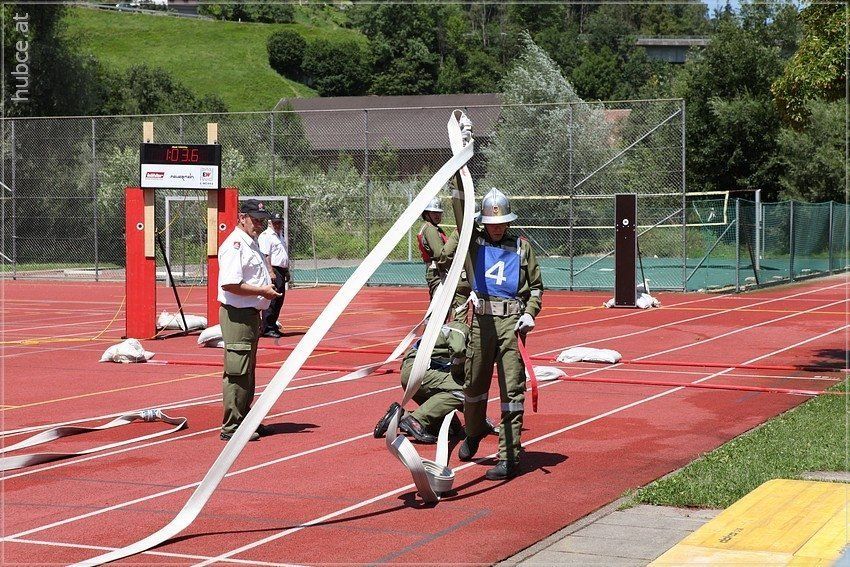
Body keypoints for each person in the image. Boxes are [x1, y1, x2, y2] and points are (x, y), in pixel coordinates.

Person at [440, 187, 543, 480]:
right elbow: (457, 230)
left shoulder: (522, 247)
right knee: (473, 384)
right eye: (491, 223)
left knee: (512, 390)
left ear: (509, 222)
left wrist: (530, 313)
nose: (497, 228)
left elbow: (536, 287)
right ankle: (473, 432)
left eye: (501, 223)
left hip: (512, 324)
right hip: (481, 323)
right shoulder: (473, 243)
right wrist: (461, 182)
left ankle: (509, 457)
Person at [217, 199, 282, 441]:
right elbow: (230, 284)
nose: (259, 224)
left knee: (247, 370)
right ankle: (232, 427)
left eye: (261, 220)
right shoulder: (235, 244)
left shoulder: (249, 242)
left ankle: (244, 420)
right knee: (238, 370)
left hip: (249, 313)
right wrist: (261, 291)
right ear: (242, 218)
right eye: (255, 219)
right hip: (238, 314)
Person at [373, 320, 499, 444]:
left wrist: (479, 420)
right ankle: (416, 420)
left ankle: (400, 415)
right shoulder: (461, 328)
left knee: (452, 428)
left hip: (421, 374)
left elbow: (465, 402)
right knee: (465, 389)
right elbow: (458, 352)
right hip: (417, 371)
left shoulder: (465, 338)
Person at [258, 211, 290, 338]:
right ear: (270, 223)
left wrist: (286, 270)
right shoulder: (266, 236)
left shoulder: (279, 235)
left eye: (280, 223)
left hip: (281, 270)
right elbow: (266, 255)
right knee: (272, 300)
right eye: (276, 223)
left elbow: (282, 255)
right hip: (273, 269)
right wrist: (271, 271)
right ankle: (267, 327)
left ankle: (272, 325)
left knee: (279, 300)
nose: (278, 225)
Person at [417, 197, 448, 298]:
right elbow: (439, 253)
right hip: (437, 272)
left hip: (437, 271)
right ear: (426, 214)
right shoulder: (430, 229)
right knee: (440, 303)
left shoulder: (432, 228)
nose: (437, 215)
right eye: (434, 213)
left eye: (439, 213)